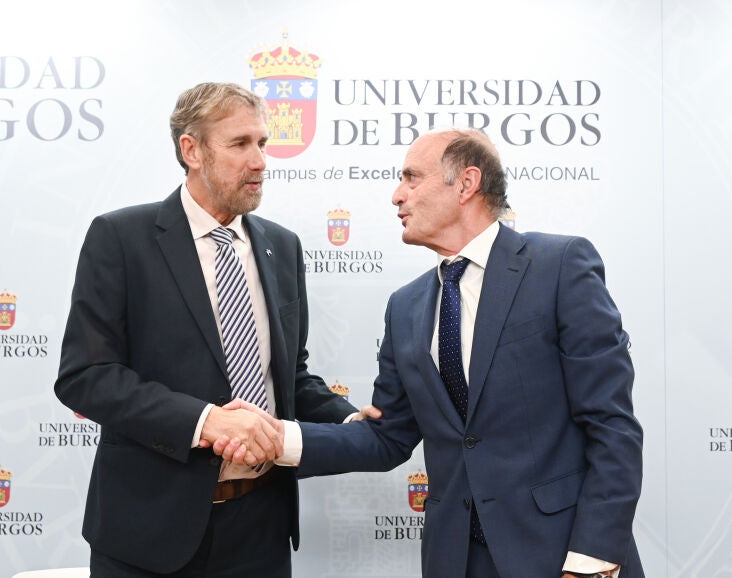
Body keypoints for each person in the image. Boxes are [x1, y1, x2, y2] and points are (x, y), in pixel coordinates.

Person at [219, 128, 644, 577]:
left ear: (466, 184)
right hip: (456, 559)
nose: (397, 195)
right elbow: (388, 437)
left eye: (412, 178)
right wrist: (277, 438)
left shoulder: (559, 266)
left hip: (562, 554)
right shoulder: (405, 306)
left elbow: (611, 425)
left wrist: (592, 562)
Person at [54, 82, 362, 577]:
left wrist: (353, 426)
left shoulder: (282, 247)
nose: (259, 161)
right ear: (191, 150)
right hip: (147, 533)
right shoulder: (121, 238)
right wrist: (206, 421)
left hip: (261, 528)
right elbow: (87, 377)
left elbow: (290, 379)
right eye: (240, 144)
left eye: (262, 143)